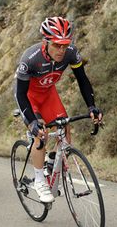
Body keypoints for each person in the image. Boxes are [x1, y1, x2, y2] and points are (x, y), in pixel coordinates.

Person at [14, 17, 103, 203]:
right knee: (41, 135)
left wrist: (92, 106)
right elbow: (21, 95)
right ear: (45, 42)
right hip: (30, 98)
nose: (61, 50)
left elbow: (83, 80)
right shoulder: (29, 59)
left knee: (65, 128)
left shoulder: (71, 53)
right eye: (56, 45)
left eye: (65, 45)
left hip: (48, 95)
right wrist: (32, 122)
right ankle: (39, 181)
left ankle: (51, 163)